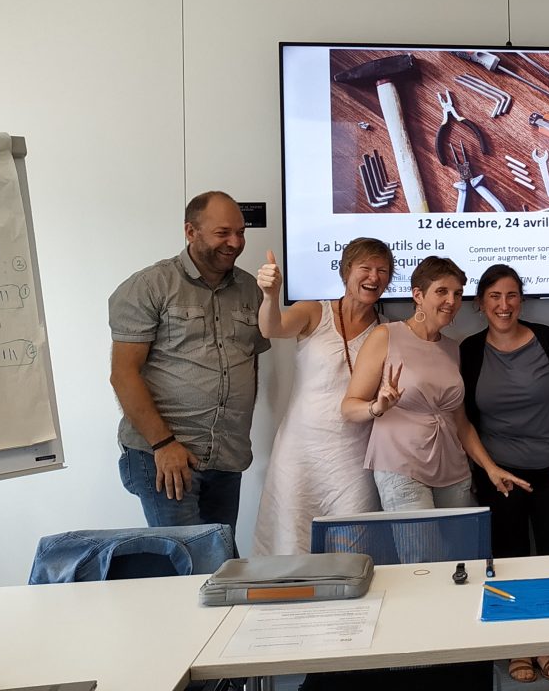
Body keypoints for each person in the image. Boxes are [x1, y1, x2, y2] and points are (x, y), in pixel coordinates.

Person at [110, 191, 269, 537]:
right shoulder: (150, 286)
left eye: (240, 233)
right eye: (223, 232)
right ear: (190, 231)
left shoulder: (250, 290)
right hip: (168, 456)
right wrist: (163, 445)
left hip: (227, 457)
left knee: (218, 562)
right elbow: (123, 374)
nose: (235, 242)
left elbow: (250, 364)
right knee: (189, 565)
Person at [459, 264, 549, 684]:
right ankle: (516, 645)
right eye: (494, 296)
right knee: (507, 561)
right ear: (480, 304)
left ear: (522, 300)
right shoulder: (470, 351)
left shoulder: (547, 340)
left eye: (511, 295)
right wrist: (490, 470)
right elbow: (465, 419)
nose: (504, 305)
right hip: (500, 475)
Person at [341, 255, 528, 511]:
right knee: (421, 551)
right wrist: (378, 406)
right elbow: (349, 408)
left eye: (458, 293)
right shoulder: (386, 335)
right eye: (442, 291)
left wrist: (491, 469)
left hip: (453, 471)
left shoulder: (452, 348)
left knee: (460, 553)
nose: (452, 301)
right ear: (418, 295)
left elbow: (460, 423)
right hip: (401, 467)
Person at [250, 239, 394, 556]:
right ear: (346, 271)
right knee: (292, 541)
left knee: (352, 547)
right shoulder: (314, 311)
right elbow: (271, 327)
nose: (374, 277)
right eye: (365, 268)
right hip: (299, 452)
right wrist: (271, 295)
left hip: (354, 458)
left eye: (382, 270)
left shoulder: (387, 331)